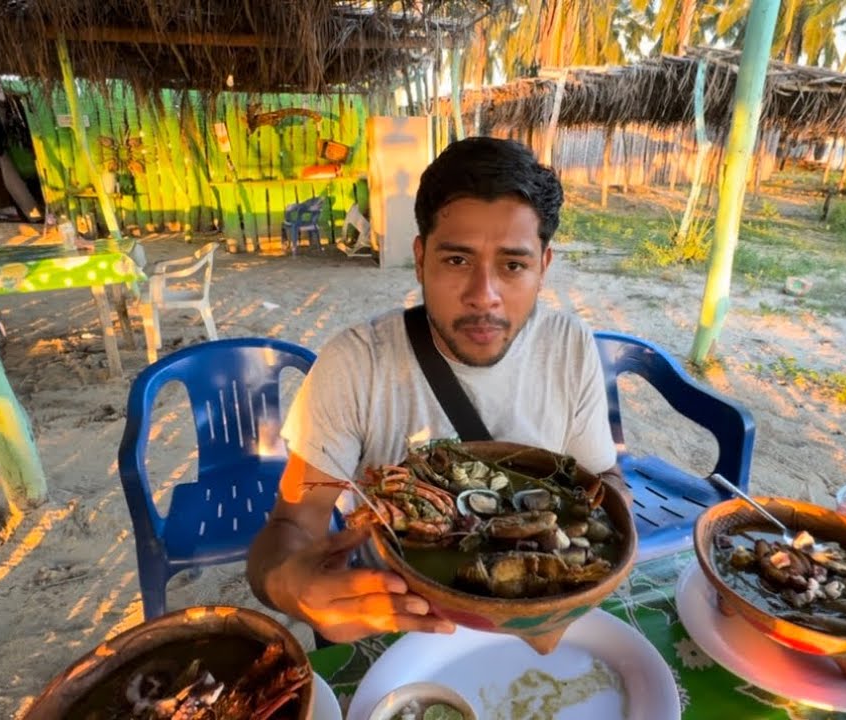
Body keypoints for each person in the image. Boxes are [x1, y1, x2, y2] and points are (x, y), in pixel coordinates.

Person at [246, 136, 627, 644]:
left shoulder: (569, 345)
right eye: (457, 261)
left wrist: (594, 550)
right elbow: (292, 523)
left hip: (536, 624)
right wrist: (292, 588)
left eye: (513, 265)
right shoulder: (357, 363)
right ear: (421, 257)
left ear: (543, 267)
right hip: (397, 620)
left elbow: (603, 478)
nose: (483, 297)